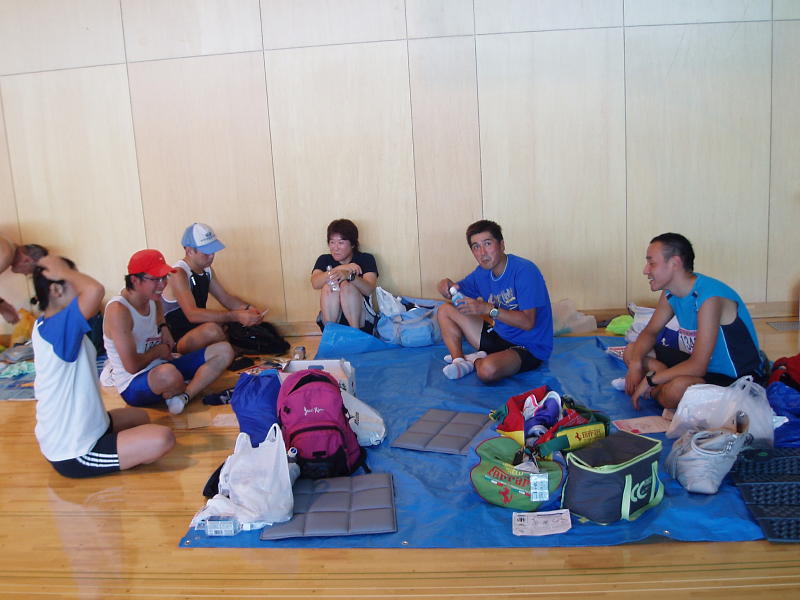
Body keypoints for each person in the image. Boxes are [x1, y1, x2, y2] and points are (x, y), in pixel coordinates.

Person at [31, 255, 174, 478]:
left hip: (89, 424)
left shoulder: (50, 324)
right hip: (75, 449)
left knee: (140, 418)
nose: (80, 287)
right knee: (163, 439)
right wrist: (61, 270)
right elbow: (95, 290)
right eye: (74, 281)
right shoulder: (57, 328)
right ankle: (108, 455)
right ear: (56, 290)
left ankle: (120, 447)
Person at [624, 233, 762, 410]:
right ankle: (660, 385)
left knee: (675, 390)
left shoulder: (709, 298)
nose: (646, 270)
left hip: (731, 378)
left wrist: (650, 380)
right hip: (697, 366)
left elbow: (698, 366)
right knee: (632, 351)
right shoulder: (670, 292)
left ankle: (655, 389)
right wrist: (636, 364)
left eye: (652, 263)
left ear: (674, 263)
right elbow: (651, 332)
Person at [102, 249, 234, 415]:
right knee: (169, 374)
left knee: (224, 350)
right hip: (133, 382)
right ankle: (183, 386)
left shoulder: (153, 298)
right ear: (135, 280)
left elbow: (159, 320)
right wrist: (159, 350)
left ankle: (184, 396)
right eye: (155, 279)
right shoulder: (119, 310)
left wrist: (164, 328)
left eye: (164, 278)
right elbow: (132, 366)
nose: (162, 284)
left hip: (162, 364)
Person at [436, 220, 553, 382]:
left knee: (487, 371)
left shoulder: (525, 271)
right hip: (499, 336)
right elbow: (456, 292)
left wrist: (487, 309)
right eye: (476, 247)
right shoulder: (482, 273)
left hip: (530, 346)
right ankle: (459, 362)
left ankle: (474, 361)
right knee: (445, 310)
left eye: (488, 243)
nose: (482, 252)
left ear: (502, 245)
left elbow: (528, 323)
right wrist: (446, 286)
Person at [161, 223, 264, 354]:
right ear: (189, 251)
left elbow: (226, 299)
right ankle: (231, 352)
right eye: (206, 252)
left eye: (213, 251)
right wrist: (236, 315)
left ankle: (232, 351)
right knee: (213, 330)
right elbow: (192, 314)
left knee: (228, 324)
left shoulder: (207, 270)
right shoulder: (178, 274)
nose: (212, 256)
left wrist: (249, 310)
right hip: (178, 340)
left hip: (196, 330)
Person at [310, 219, 378, 333]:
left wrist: (349, 276)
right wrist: (339, 269)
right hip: (332, 319)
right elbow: (315, 283)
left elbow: (369, 289)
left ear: (353, 244)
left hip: (361, 321)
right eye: (332, 242)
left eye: (341, 243)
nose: (335, 248)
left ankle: (356, 335)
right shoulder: (324, 259)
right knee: (328, 286)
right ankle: (331, 333)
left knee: (346, 286)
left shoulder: (366, 258)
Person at [0, 235, 48, 324]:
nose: (25, 274)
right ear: (27, 260)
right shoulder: (6, 253)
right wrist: (4, 308)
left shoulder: (8, 245)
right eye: (30, 271)